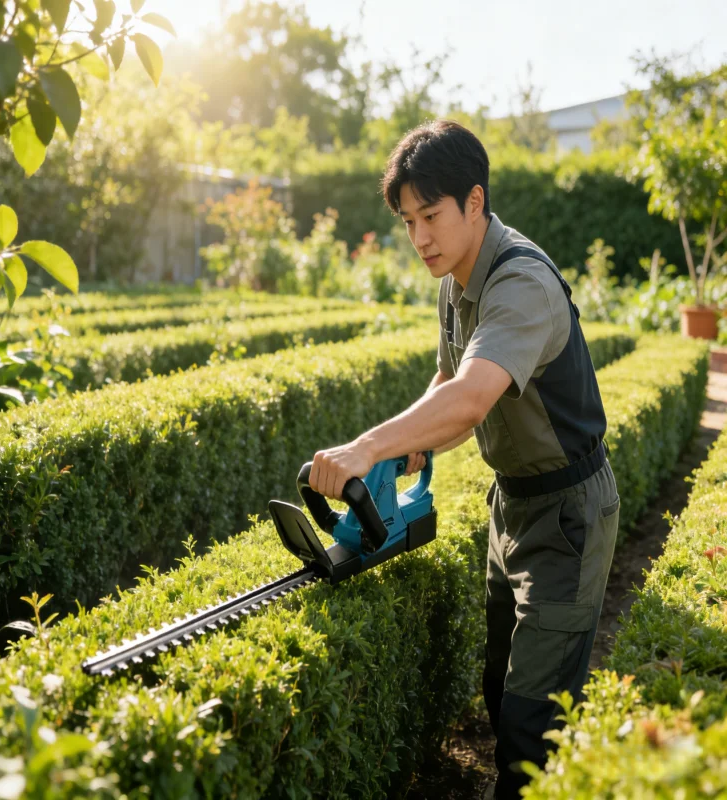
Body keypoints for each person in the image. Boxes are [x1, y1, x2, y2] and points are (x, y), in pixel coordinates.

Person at [307, 119, 620, 800]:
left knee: (532, 730)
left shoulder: (521, 283)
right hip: (510, 505)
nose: (419, 238)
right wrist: (403, 444)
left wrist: (365, 448)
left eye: (431, 216)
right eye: (408, 221)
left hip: (567, 515)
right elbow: (447, 381)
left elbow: (474, 397)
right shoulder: (456, 277)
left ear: (474, 202)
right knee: (499, 689)